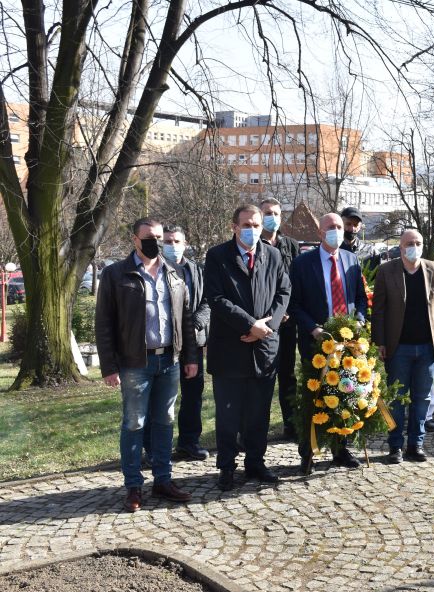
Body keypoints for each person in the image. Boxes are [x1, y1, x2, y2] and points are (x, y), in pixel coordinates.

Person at [96, 217, 198, 512]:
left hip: (169, 359)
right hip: (133, 362)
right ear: (135, 240)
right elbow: (103, 323)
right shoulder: (116, 274)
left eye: (159, 237)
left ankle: (163, 480)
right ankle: (133, 486)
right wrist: (109, 366)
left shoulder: (173, 273)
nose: (156, 242)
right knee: (134, 422)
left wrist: (190, 357)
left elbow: (186, 318)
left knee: (165, 420)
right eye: (149, 237)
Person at [204, 204, 291, 491]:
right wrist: (249, 325)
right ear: (234, 227)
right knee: (229, 415)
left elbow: (284, 292)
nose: (253, 230)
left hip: (264, 348)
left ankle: (256, 462)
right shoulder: (217, 256)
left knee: (259, 413)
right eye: (247, 225)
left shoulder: (273, 254)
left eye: (256, 225)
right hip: (230, 348)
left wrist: (267, 327)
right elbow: (216, 299)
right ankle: (226, 466)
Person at [288, 213, 368, 473]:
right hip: (316, 342)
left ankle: (340, 448)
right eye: (330, 227)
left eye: (339, 227)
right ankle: (307, 451)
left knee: (344, 393)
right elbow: (294, 303)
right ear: (320, 232)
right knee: (314, 396)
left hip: (347, 342)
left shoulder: (351, 259)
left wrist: (359, 320)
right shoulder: (302, 264)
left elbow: (360, 298)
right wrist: (313, 328)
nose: (336, 230)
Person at [372, 229, 434, 464]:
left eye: (417, 243)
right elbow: (379, 310)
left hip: (427, 347)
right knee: (397, 398)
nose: (413, 246)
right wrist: (380, 342)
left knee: (423, 398)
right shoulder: (387, 270)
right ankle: (395, 445)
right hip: (399, 347)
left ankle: (416, 444)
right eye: (408, 243)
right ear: (400, 246)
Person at [163, 225, 211, 461]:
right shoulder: (156, 269)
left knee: (193, 396)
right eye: (168, 241)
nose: (173, 246)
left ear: (185, 243)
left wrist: (195, 325)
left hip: (193, 343)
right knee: (161, 398)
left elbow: (207, 302)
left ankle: (188, 443)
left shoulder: (195, 270)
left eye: (177, 241)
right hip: (165, 344)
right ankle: (155, 450)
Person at [259, 198, 301, 441]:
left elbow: (296, 282)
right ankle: (257, 427)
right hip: (263, 322)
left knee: (288, 375)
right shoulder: (255, 245)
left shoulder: (291, 245)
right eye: (267, 213)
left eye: (275, 213)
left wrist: (287, 311)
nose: (271, 217)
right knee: (263, 376)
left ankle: (291, 423)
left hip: (287, 321)